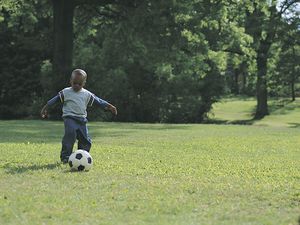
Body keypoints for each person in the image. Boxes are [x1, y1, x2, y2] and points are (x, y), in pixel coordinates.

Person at [40, 69, 117, 163]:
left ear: (84, 83)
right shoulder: (66, 92)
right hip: (69, 118)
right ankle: (66, 156)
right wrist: (46, 107)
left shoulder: (87, 94)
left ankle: (83, 155)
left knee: (85, 139)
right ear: (70, 81)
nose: (76, 85)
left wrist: (109, 106)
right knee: (70, 134)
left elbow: (98, 101)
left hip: (82, 120)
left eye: (79, 84)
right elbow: (55, 100)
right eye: (74, 83)